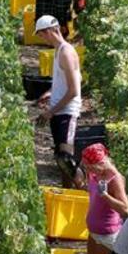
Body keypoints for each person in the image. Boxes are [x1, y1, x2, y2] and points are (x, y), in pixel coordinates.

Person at [33, 15, 82, 187]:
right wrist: (50, 92)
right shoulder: (59, 50)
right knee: (61, 160)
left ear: (49, 31)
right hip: (59, 110)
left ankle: (85, 193)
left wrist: (50, 112)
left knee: (66, 159)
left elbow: (74, 90)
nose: (42, 39)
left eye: (41, 35)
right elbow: (65, 82)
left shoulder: (66, 52)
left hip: (67, 112)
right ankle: (67, 194)